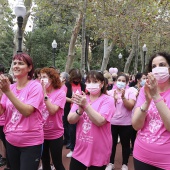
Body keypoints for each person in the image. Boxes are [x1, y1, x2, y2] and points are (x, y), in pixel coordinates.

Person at [0, 53, 44, 170]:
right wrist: (1, 92)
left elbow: (27, 111)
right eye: (14, 63)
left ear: (29, 68)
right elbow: (1, 111)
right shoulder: (11, 87)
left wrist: (7, 92)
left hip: (31, 143)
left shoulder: (35, 86)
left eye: (21, 63)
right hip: (10, 140)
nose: (16, 66)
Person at [68, 70, 115, 170]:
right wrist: (80, 110)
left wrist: (86, 105)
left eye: (95, 81)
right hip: (80, 149)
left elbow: (100, 121)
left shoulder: (108, 100)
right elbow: (70, 120)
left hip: (99, 150)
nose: (91, 84)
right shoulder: (81, 98)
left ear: (102, 84)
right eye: (88, 81)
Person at [132, 52, 170, 170]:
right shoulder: (145, 89)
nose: (157, 69)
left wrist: (156, 96)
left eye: (162, 65)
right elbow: (136, 125)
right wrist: (147, 102)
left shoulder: (154, 92)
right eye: (154, 67)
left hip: (166, 160)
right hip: (141, 156)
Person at [106, 73, 136, 170]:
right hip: (112, 123)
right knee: (111, 144)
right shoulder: (110, 92)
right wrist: (114, 100)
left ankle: (125, 164)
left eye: (123, 81)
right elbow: (108, 109)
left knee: (125, 144)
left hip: (126, 124)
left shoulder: (130, 92)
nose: (121, 82)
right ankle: (110, 163)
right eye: (119, 80)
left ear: (127, 82)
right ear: (115, 81)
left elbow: (130, 106)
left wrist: (123, 98)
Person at [40, 67, 66, 170]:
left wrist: (44, 94)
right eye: (41, 77)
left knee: (57, 163)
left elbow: (52, 110)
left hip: (55, 134)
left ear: (52, 78)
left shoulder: (60, 93)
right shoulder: (38, 92)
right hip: (41, 133)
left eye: (45, 77)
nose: (42, 80)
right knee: (45, 162)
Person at [63, 68, 86, 158]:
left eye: (78, 78)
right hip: (70, 110)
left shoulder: (83, 85)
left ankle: (82, 149)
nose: (77, 80)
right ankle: (73, 148)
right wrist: (72, 100)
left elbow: (87, 95)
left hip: (81, 110)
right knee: (72, 130)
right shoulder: (67, 85)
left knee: (82, 130)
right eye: (75, 78)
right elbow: (63, 96)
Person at [129, 73, 147, 155]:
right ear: (138, 80)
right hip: (134, 113)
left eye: (146, 78)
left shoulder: (147, 89)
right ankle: (133, 147)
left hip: (144, 114)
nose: (145, 79)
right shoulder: (132, 89)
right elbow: (130, 102)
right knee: (133, 132)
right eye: (144, 78)